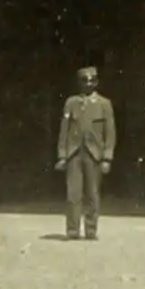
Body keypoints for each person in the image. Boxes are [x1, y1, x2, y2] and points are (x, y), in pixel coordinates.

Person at [57, 64, 118, 239]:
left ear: (97, 82)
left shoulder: (104, 104)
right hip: (74, 153)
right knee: (73, 194)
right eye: (84, 80)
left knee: (92, 194)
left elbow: (110, 132)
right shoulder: (71, 103)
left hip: (94, 154)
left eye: (93, 80)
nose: (89, 83)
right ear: (79, 83)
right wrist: (62, 155)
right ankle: (72, 230)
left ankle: (91, 230)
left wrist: (107, 157)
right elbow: (64, 130)